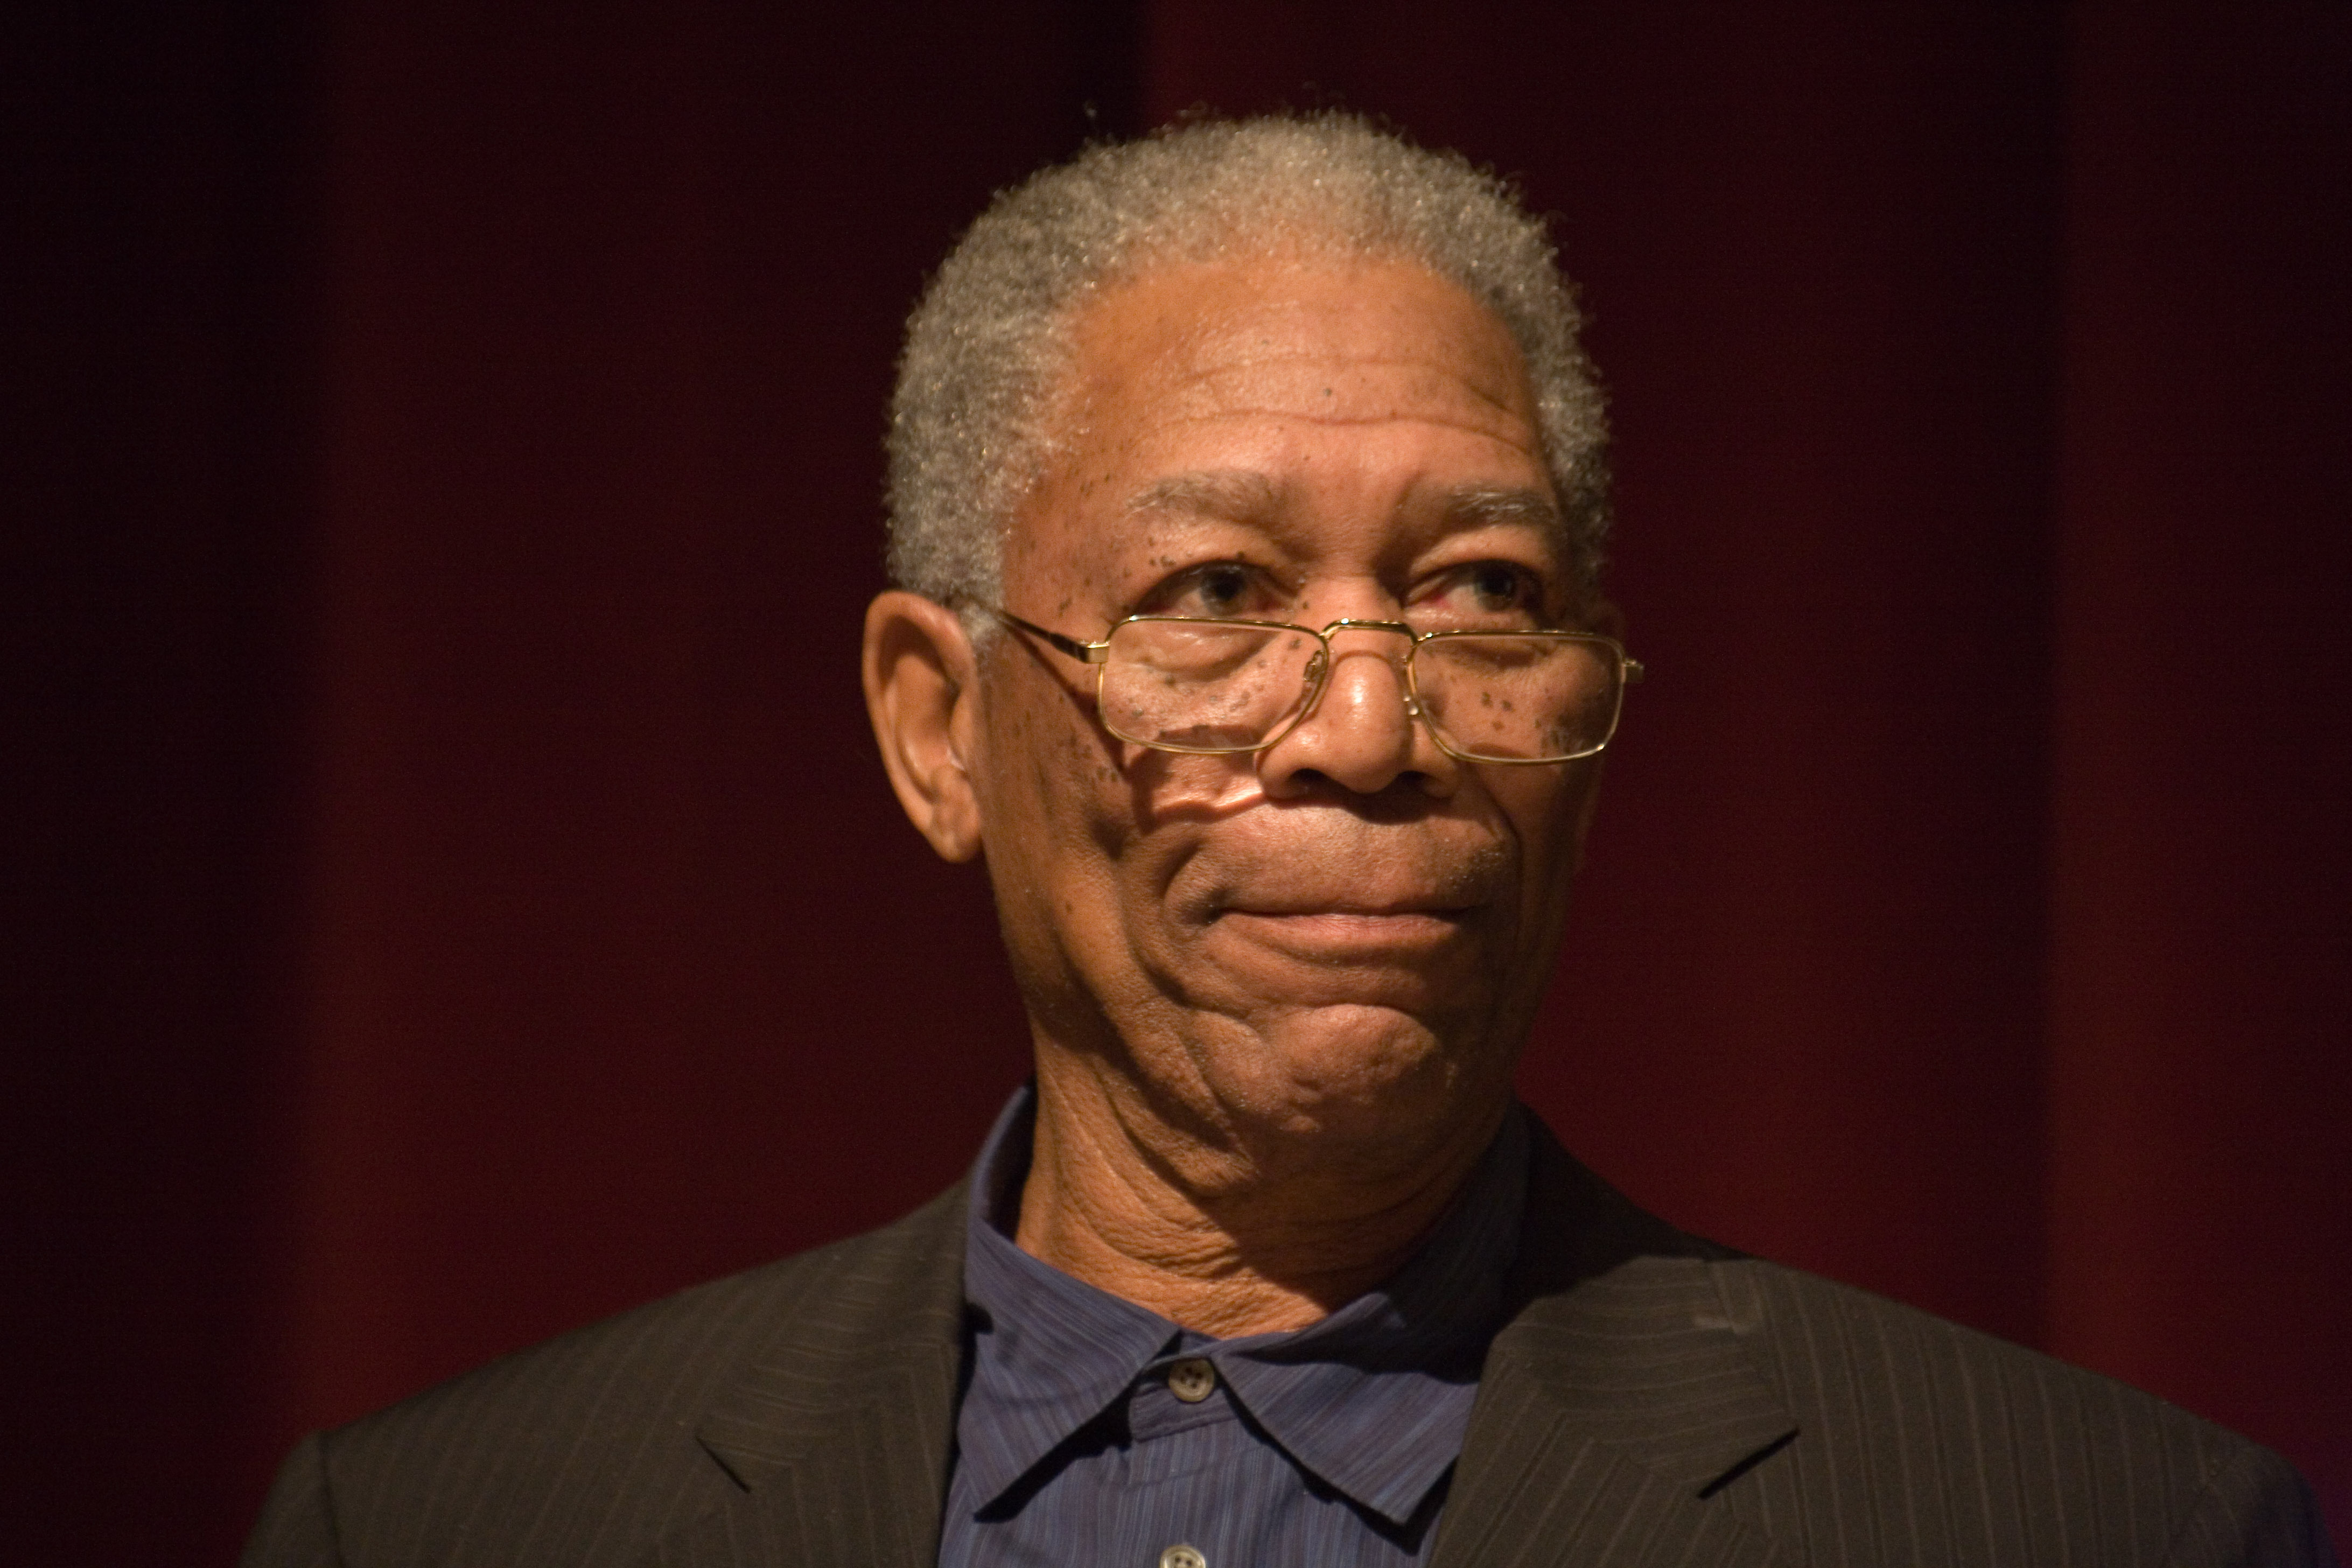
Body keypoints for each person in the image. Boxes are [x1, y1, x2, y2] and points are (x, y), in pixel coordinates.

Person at [243, 115, 2335, 1568]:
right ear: (937, 723)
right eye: (1217, 596)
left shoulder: (2081, 1523)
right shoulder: (457, 1519)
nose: (1366, 727)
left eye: (1486, 593)